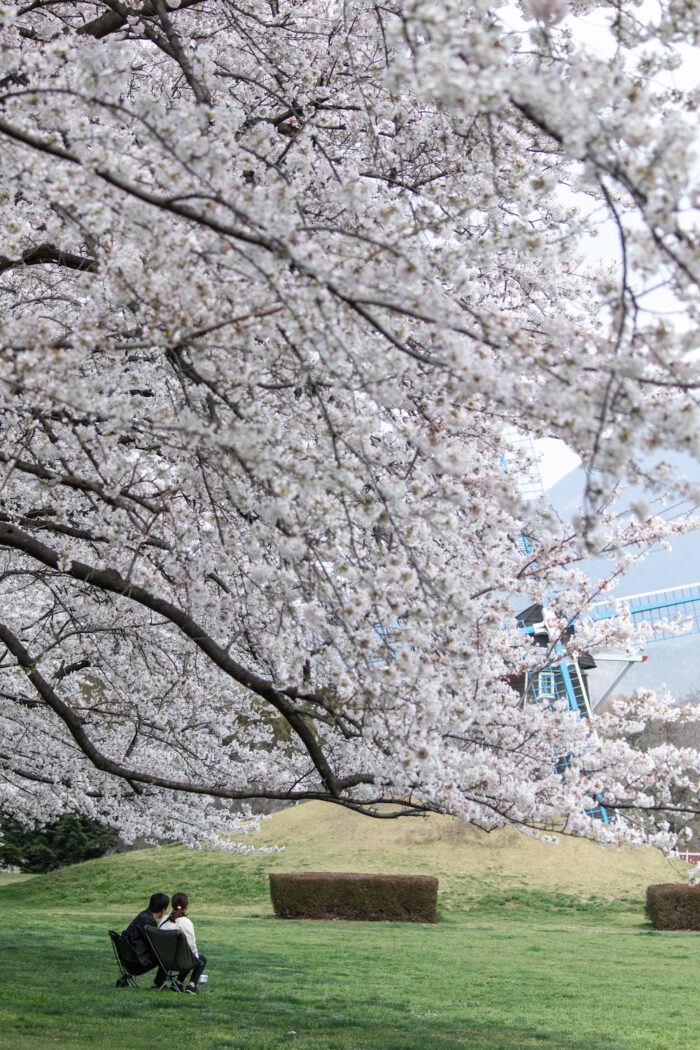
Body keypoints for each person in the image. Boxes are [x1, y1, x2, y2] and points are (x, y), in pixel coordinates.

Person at [117, 892, 170, 988]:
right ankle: (159, 983)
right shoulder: (149, 922)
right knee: (166, 952)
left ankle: (159, 982)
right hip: (137, 962)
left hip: (128, 958)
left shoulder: (143, 915)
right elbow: (155, 945)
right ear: (163, 910)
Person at [159, 891, 207, 994]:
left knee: (187, 956)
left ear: (172, 905)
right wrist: (195, 957)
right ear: (187, 906)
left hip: (164, 960)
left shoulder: (164, 920)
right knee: (200, 959)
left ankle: (178, 984)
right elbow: (191, 946)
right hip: (179, 962)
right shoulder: (185, 922)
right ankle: (191, 985)